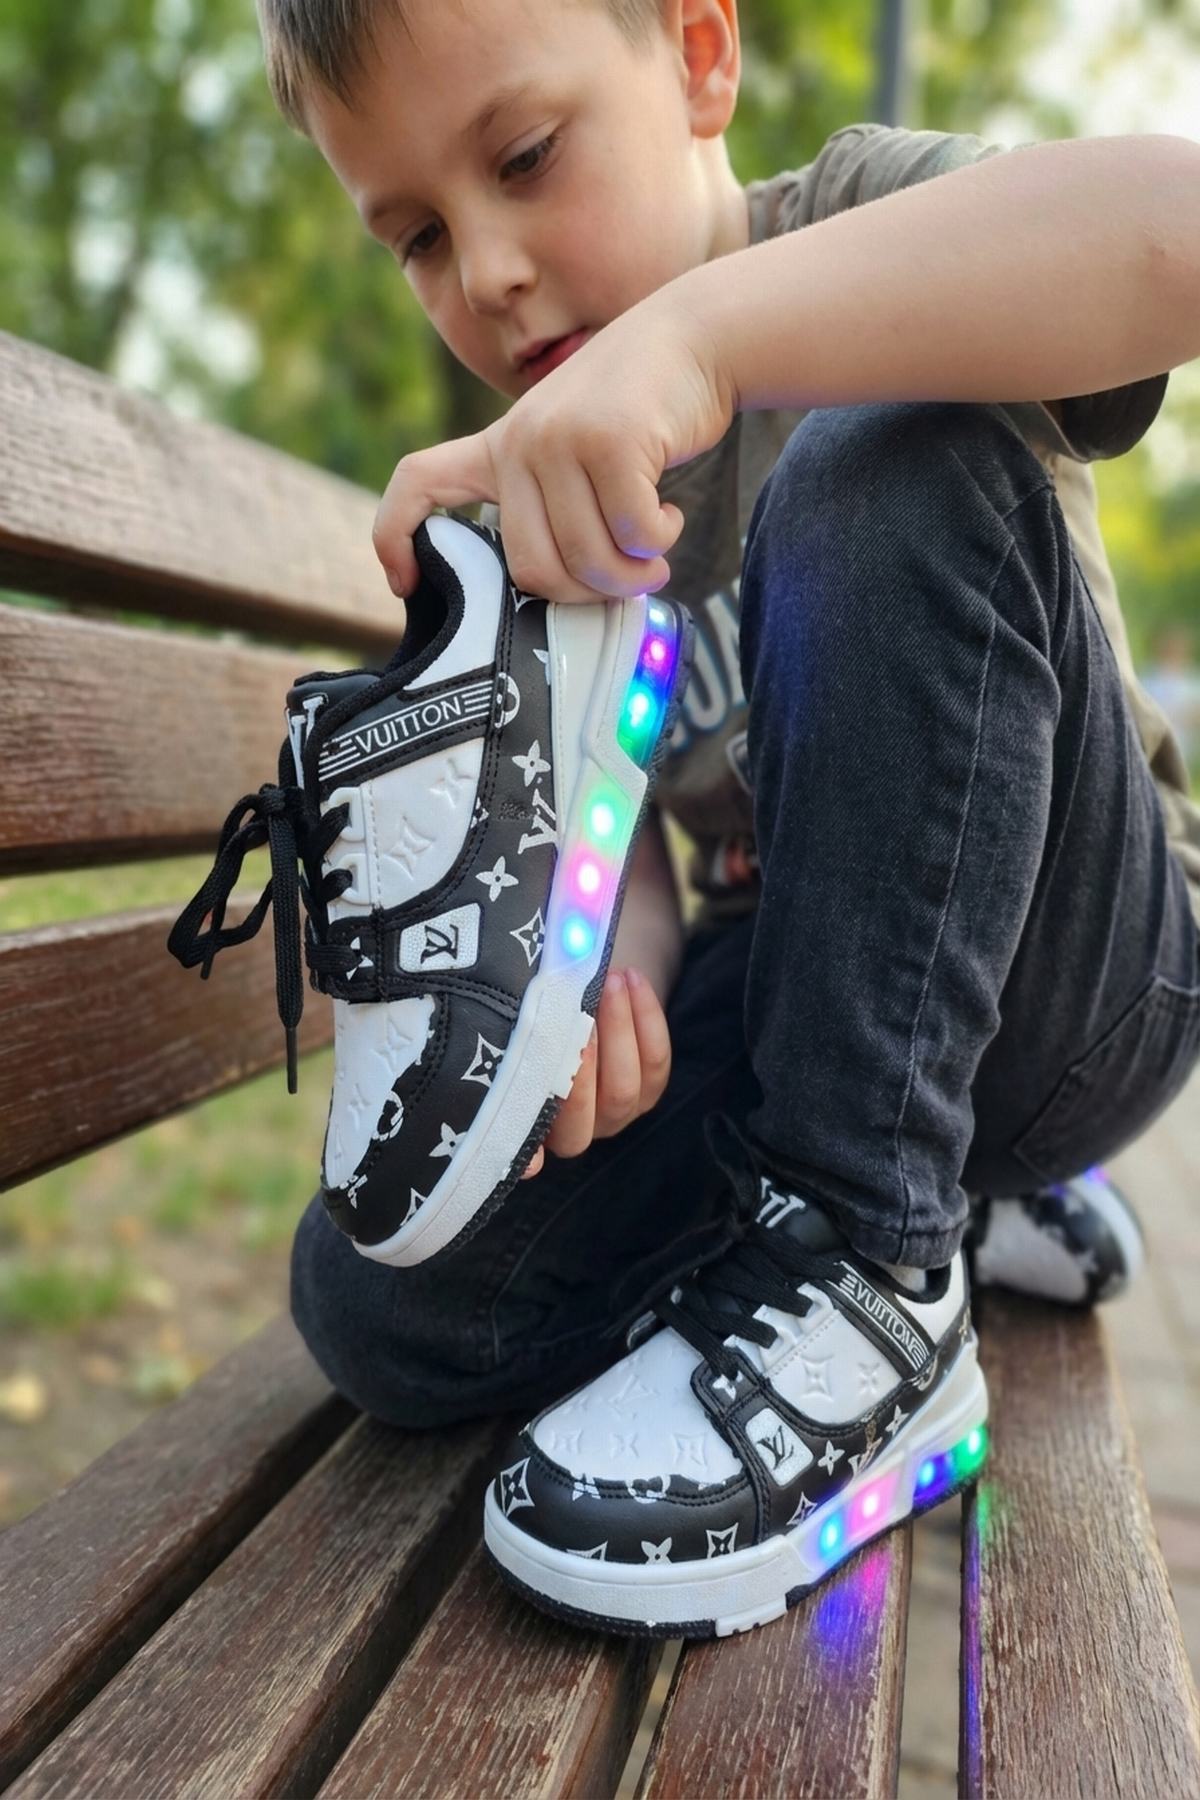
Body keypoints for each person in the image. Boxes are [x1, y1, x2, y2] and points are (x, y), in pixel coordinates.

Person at [252, 0, 1200, 1631]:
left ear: (697, 54)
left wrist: (701, 345)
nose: (487, 272)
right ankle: (943, 1201)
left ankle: (880, 1276)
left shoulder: (858, 217)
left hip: (1084, 978)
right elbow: (616, 852)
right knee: (382, 1303)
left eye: (524, 158)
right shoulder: (546, 495)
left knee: (878, 451)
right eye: (418, 237)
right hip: (806, 1000)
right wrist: (591, 988)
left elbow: (1170, 231)